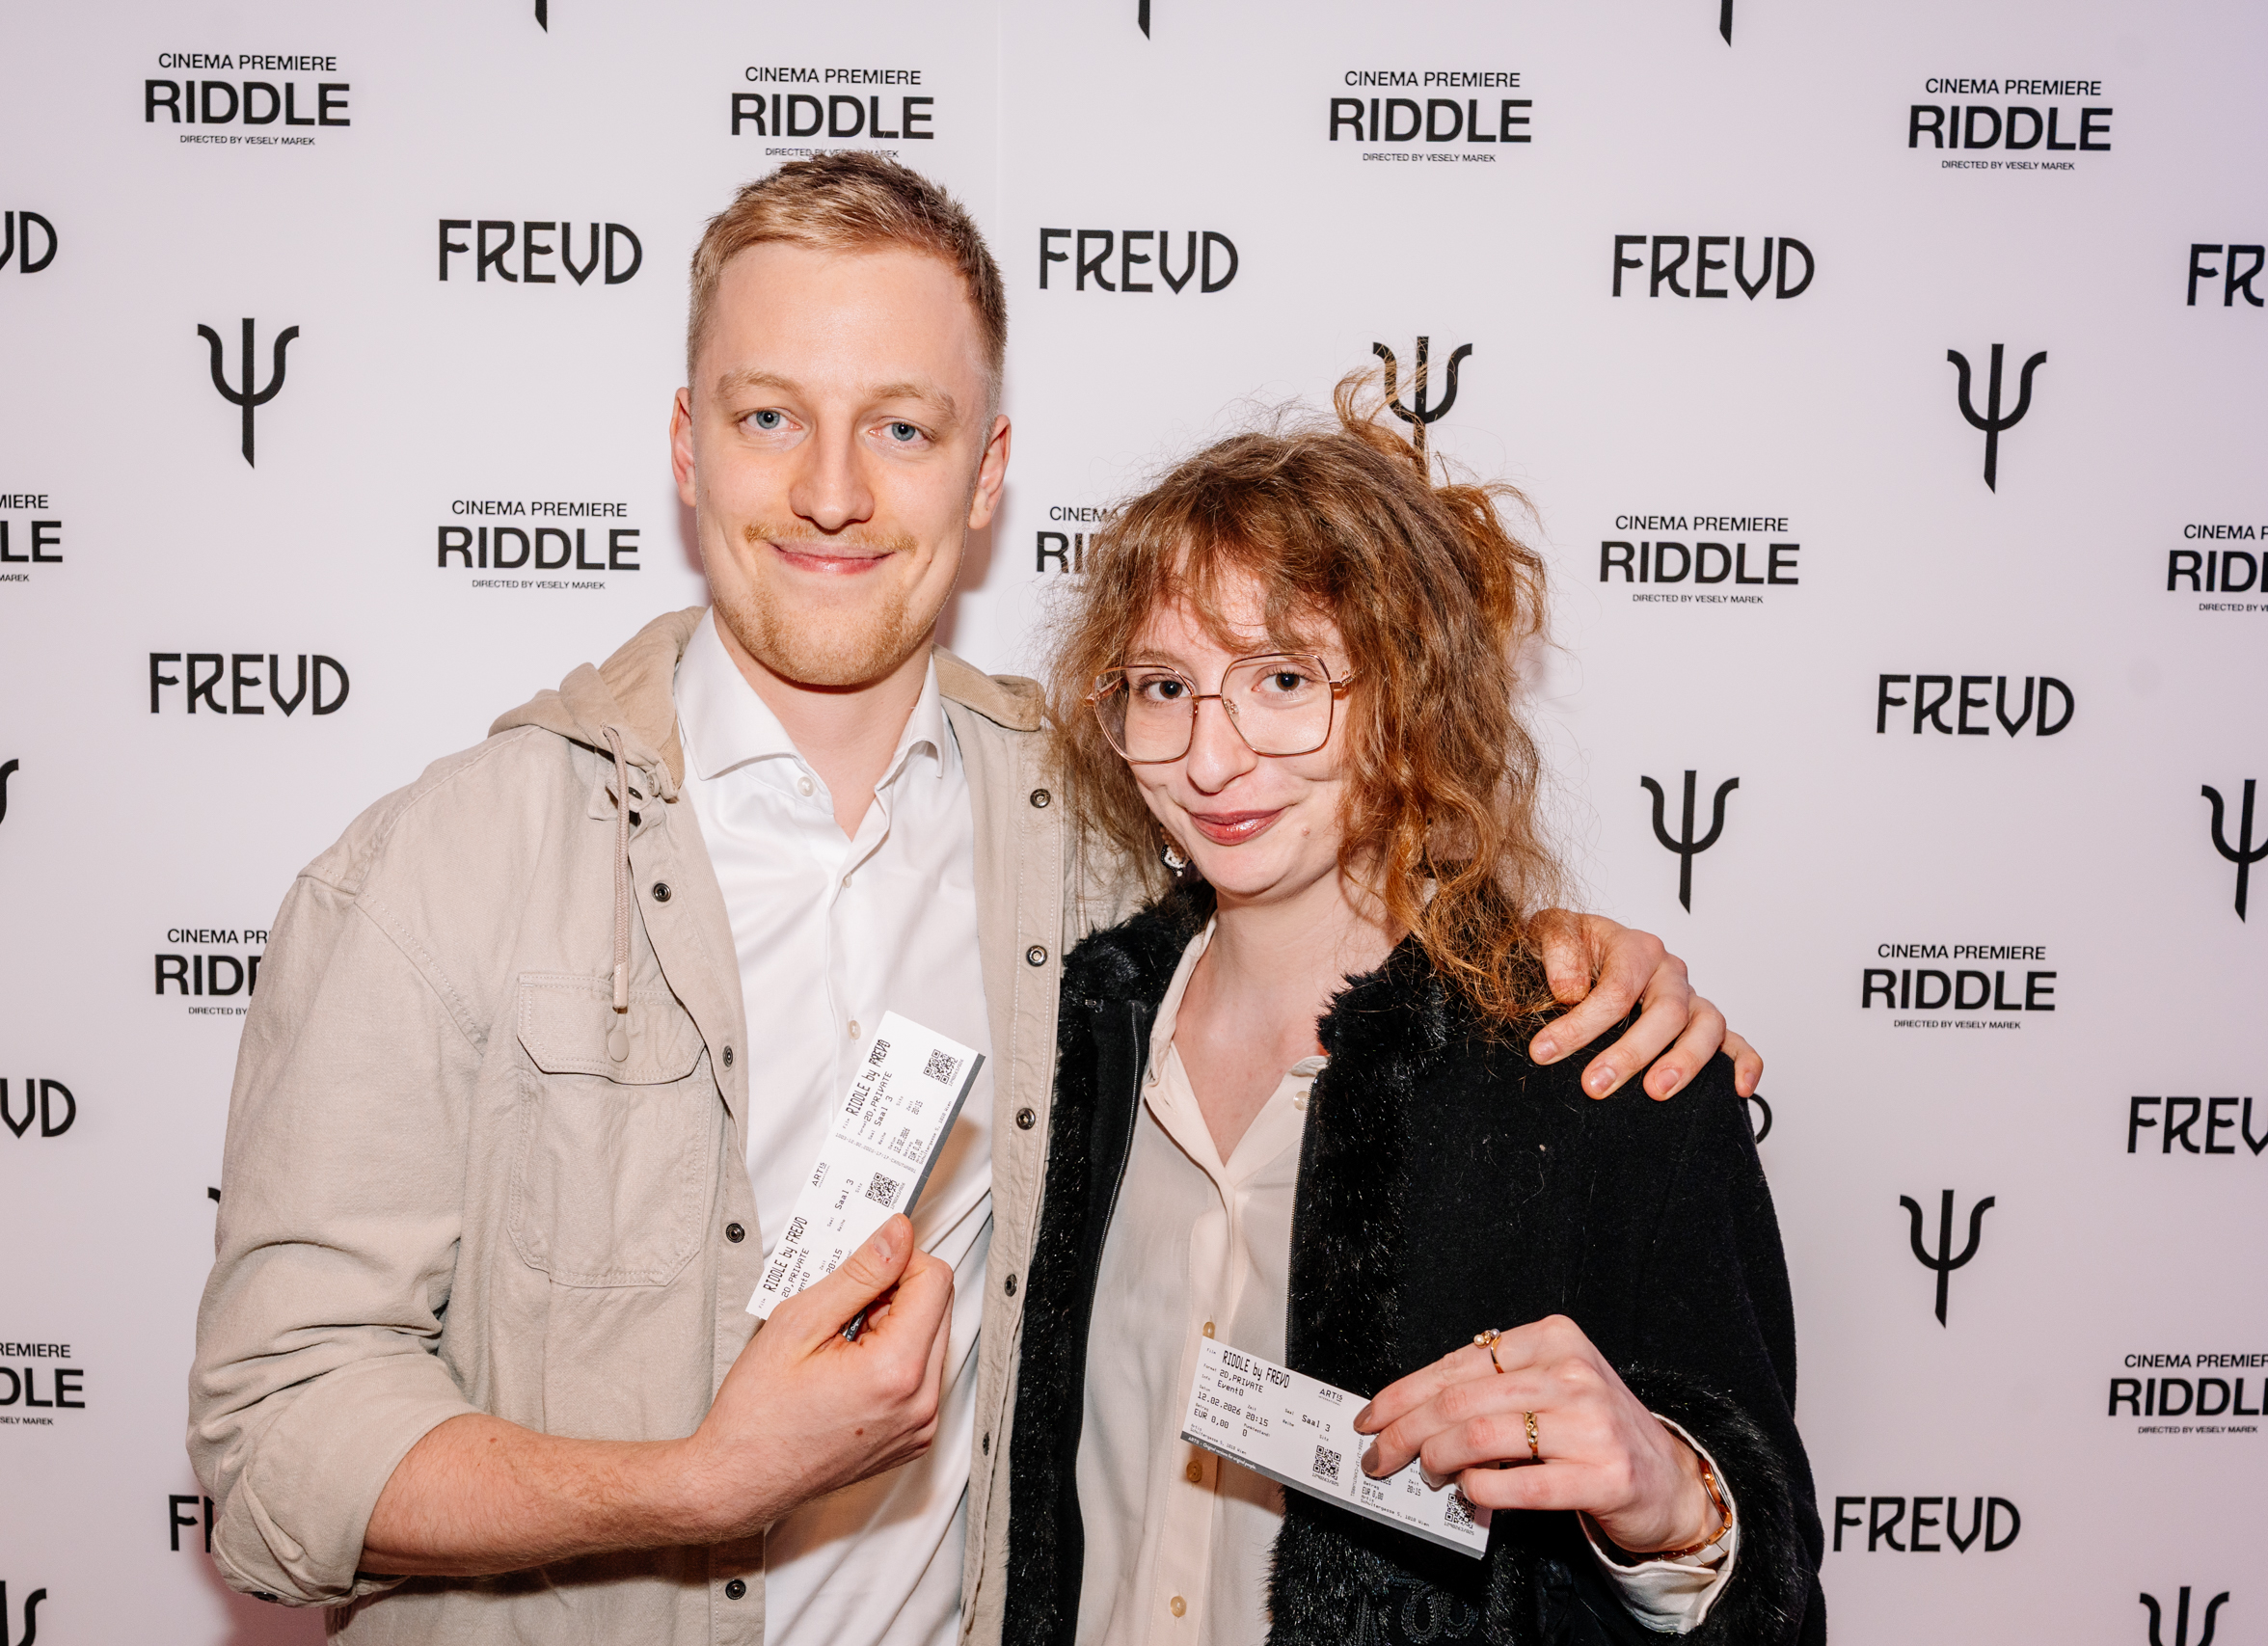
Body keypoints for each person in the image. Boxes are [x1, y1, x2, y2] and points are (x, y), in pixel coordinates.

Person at [186, 154, 1760, 1646]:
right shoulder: (439, 869)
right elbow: (269, 1457)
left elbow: (1339, 900)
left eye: (901, 428)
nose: (830, 493)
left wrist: (1552, 957)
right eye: (768, 417)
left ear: (989, 469)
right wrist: (699, 1484)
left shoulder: (1095, 839)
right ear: (685, 446)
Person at [998, 387, 1821, 1645]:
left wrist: (1672, 1506)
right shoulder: (1068, 1042)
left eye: (1284, 679)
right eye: (1163, 686)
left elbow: (1770, 1593)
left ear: (1412, 700)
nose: (1209, 760)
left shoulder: (1600, 1071)